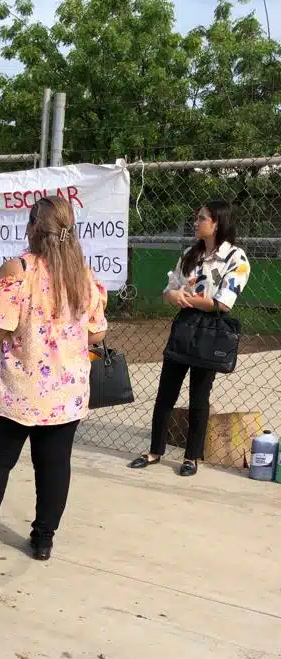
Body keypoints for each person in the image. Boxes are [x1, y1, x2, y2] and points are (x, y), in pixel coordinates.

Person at [0, 195, 107, 563]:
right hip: (66, 391)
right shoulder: (83, 274)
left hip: (19, 388)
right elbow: (96, 334)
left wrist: (13, 330)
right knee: (54, 465)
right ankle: (43, 540)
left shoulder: (17, 269)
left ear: (34, 228)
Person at [129, 200, 251, 477]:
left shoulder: (236, 259)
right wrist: (172, 295)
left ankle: (191, 457)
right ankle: (155, 451)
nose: (196, 223)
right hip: (184, 325)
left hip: (210, 330)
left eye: (202, 218)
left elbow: (223, 303)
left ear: (217, 223)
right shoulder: (189, 254)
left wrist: (191, 299)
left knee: (199, 394)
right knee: (166, 391)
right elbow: (169, 290)